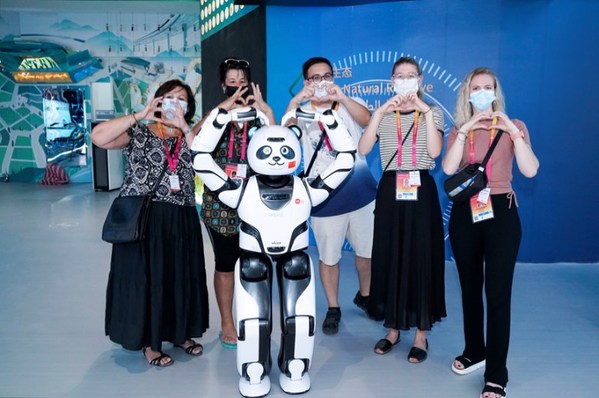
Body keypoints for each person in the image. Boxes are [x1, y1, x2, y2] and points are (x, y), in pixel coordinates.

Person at [91, 79, 209, 367]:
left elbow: (204, 156)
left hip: (181, 216)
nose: (175, 103)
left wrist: (183, 127)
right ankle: (150, 343)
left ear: (188, 107)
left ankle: (181, 333)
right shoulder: (139, 133)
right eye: (169, 97)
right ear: (157, 101)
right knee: (149, 280)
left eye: (182, 99)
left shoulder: (191, 134)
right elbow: (99, 137)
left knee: (181, 277)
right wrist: (140, 115)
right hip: (145, 219)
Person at [442, 67, 539, 398]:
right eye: (476, 87)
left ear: (496, 91)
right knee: (470, 287)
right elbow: (448, 168)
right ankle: (475, 351)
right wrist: (466, 127)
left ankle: (496, 373)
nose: (482, 92)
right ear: (467, 94)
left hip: (502, 213)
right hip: (465, 212)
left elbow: (530, 169)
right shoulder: (459, 129)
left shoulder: (517, 127)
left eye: (488, 87)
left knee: (498, 294)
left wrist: (512, 129)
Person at [358, 57, 446, 362]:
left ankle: (421, 334)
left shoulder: (432, 114)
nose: (405, 80)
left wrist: (424, 112)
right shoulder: (384, 116)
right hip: (390, 188)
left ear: (420, 80)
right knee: (390, 254)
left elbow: (435, 152)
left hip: (421, 189)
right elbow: (364, 148)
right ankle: (393, 328)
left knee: (420, 256)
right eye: (399, 76)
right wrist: (381, 110)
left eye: (411, 76)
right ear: (392, 81)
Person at [285, 56, 376, 335]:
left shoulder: (346, 104)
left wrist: (343, 97)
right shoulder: (301, 112)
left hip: (362, 193)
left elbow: (368, 119)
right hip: (325, 198)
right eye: (315, 77)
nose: (322, 81)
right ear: (306, 82)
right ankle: (333, 308)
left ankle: (366, 296)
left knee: (367, 254)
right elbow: (285, 132)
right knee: (329, 257)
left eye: (327, 76)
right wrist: (297, 100)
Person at [193, 57, 275, 349]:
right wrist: (222, 111)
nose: (238, 89)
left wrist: (267, 113)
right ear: (222, 86)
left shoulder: (259, 116)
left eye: (243, 83)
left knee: (256, 263)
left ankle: (255, 318)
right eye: (232, 84)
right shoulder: (216, 116)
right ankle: (227, 322)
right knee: (225, 263)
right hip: (220, 203)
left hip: (255, 201)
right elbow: (195, 140)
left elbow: (276, 142)